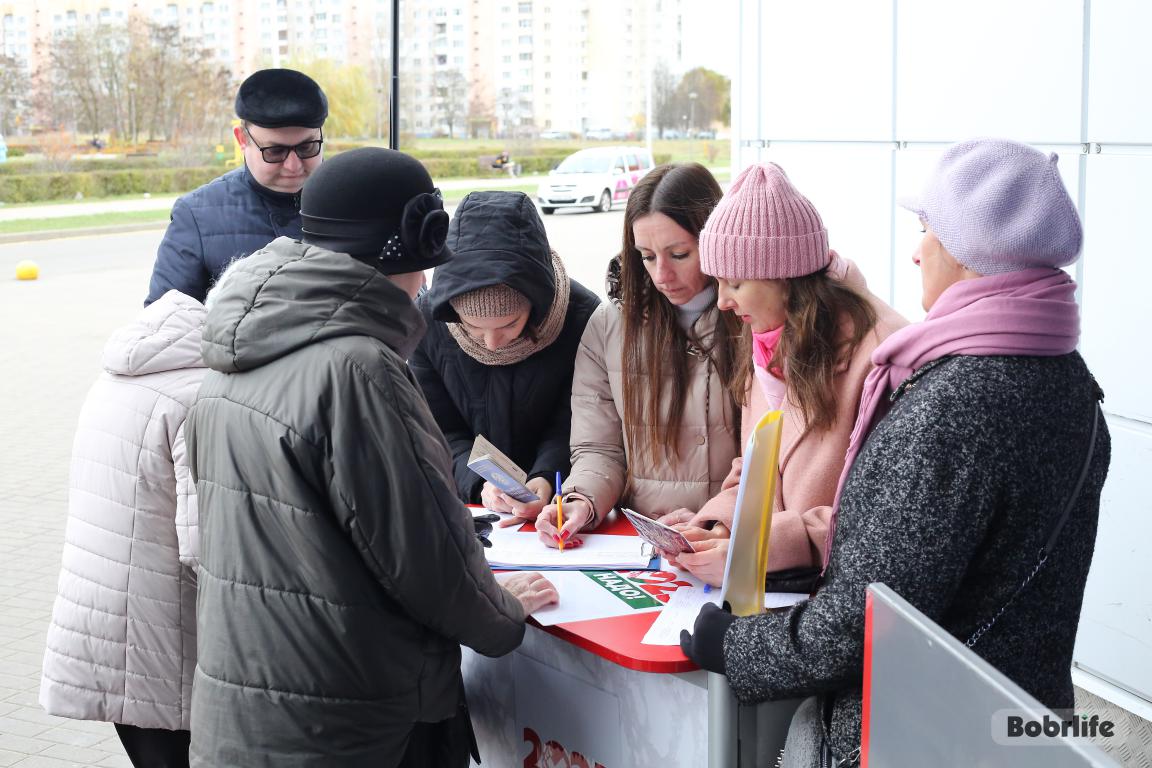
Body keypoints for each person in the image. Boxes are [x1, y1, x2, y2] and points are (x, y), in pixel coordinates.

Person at [680, 138, 1110, 765]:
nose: (915, 250)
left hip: (922, 733)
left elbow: (867, 619)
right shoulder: (1069, 380)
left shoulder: (957, 402)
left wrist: (739, 648)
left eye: (927, 228)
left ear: (969, 253)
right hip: (1017, 723)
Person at [186, 147, 558, 767]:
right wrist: (502, 613)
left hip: (246, 704)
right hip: (350, 718)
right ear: (411, 253)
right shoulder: (358, 367)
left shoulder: (241, 350)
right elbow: (423, 551)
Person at [657, 162, 907, 586]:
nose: (722, 302)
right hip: (778, 592)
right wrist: (717, 528)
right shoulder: (770, 335)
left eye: (735, 283)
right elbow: (758, 469)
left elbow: (884, 515)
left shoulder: (884, 355)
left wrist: (755, 551)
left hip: (836, 601)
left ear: (786, 278)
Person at [534, 163, 745, 548]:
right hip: (643, 543)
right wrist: (581, 500)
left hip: (731, 541)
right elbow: (599, 447)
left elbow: (771, 457)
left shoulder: (752, 317)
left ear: (714, 239)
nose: (661, 274)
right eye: (647, 256)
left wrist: (719, 521)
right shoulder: (609, 324)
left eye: (679, 254)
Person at [40, 290, 208, 768]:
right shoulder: (195, 396)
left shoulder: (116, 378)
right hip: (161, 631)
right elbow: (202, 548)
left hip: (97, 617)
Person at [410, 190, 600, 521]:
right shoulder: (427, 323)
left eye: (510, 325)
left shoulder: (583, 318)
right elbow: (438, 428)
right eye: (472, 326)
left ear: (537, 303)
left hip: (566, 502)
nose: (492, 343)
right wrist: (480, 482)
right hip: (467, 510)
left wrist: (545, 476)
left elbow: (576, 422)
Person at [144, 68, 328, 305]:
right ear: (242, 140)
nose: (293, 166)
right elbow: (165, 327)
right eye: (275, 151)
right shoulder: (197, 216)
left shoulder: (357, 199)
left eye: (307, 148)